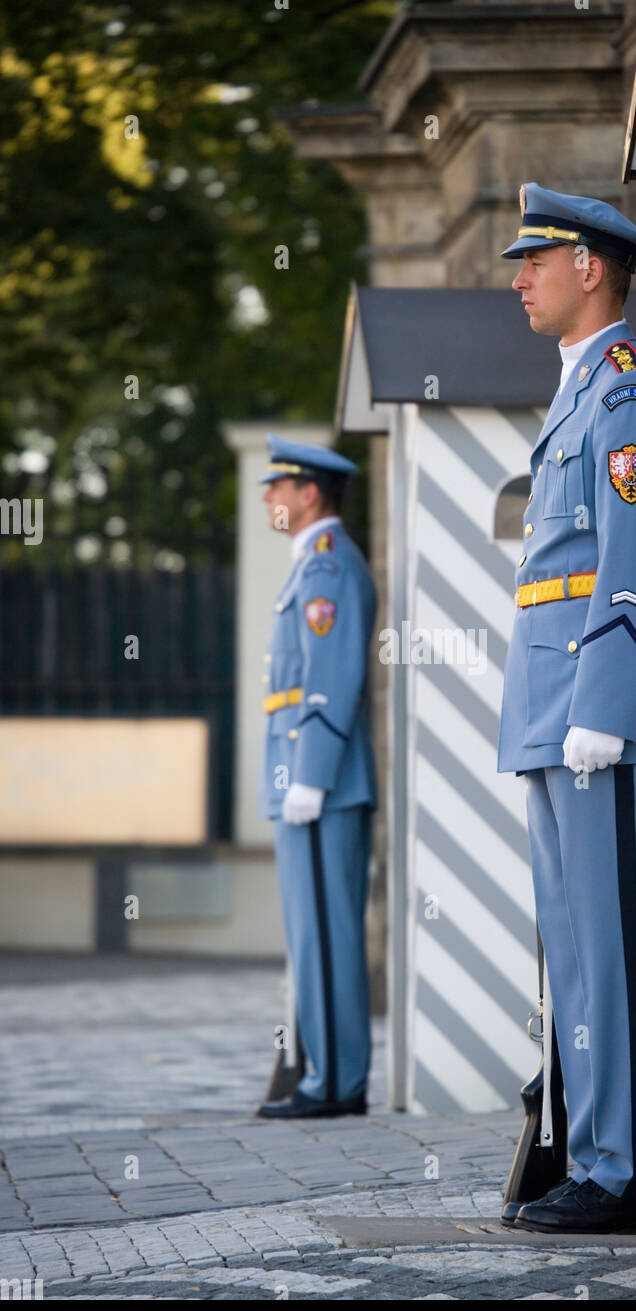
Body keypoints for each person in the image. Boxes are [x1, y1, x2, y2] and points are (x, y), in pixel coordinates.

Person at [497, 183, 636, 1233]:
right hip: (552, 714)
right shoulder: (579, 390)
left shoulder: (625, 392)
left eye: (533, 258)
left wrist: (607, 704)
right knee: (576, 951)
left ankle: (628, 1177)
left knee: (617, 947)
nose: (517, 277)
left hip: (598, 717)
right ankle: (589, 1152)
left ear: (589, 267)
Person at [255, 435, 377, 1120]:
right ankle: (328, 1076)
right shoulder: (309, 567)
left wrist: (312, 775)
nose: (269, 497)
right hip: (301, 777)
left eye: (279, 486)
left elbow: (331, 680)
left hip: (319, 781)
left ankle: (335, 1084)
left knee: (326, 933)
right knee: (312, 932)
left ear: (309, 495)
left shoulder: (328, 569)